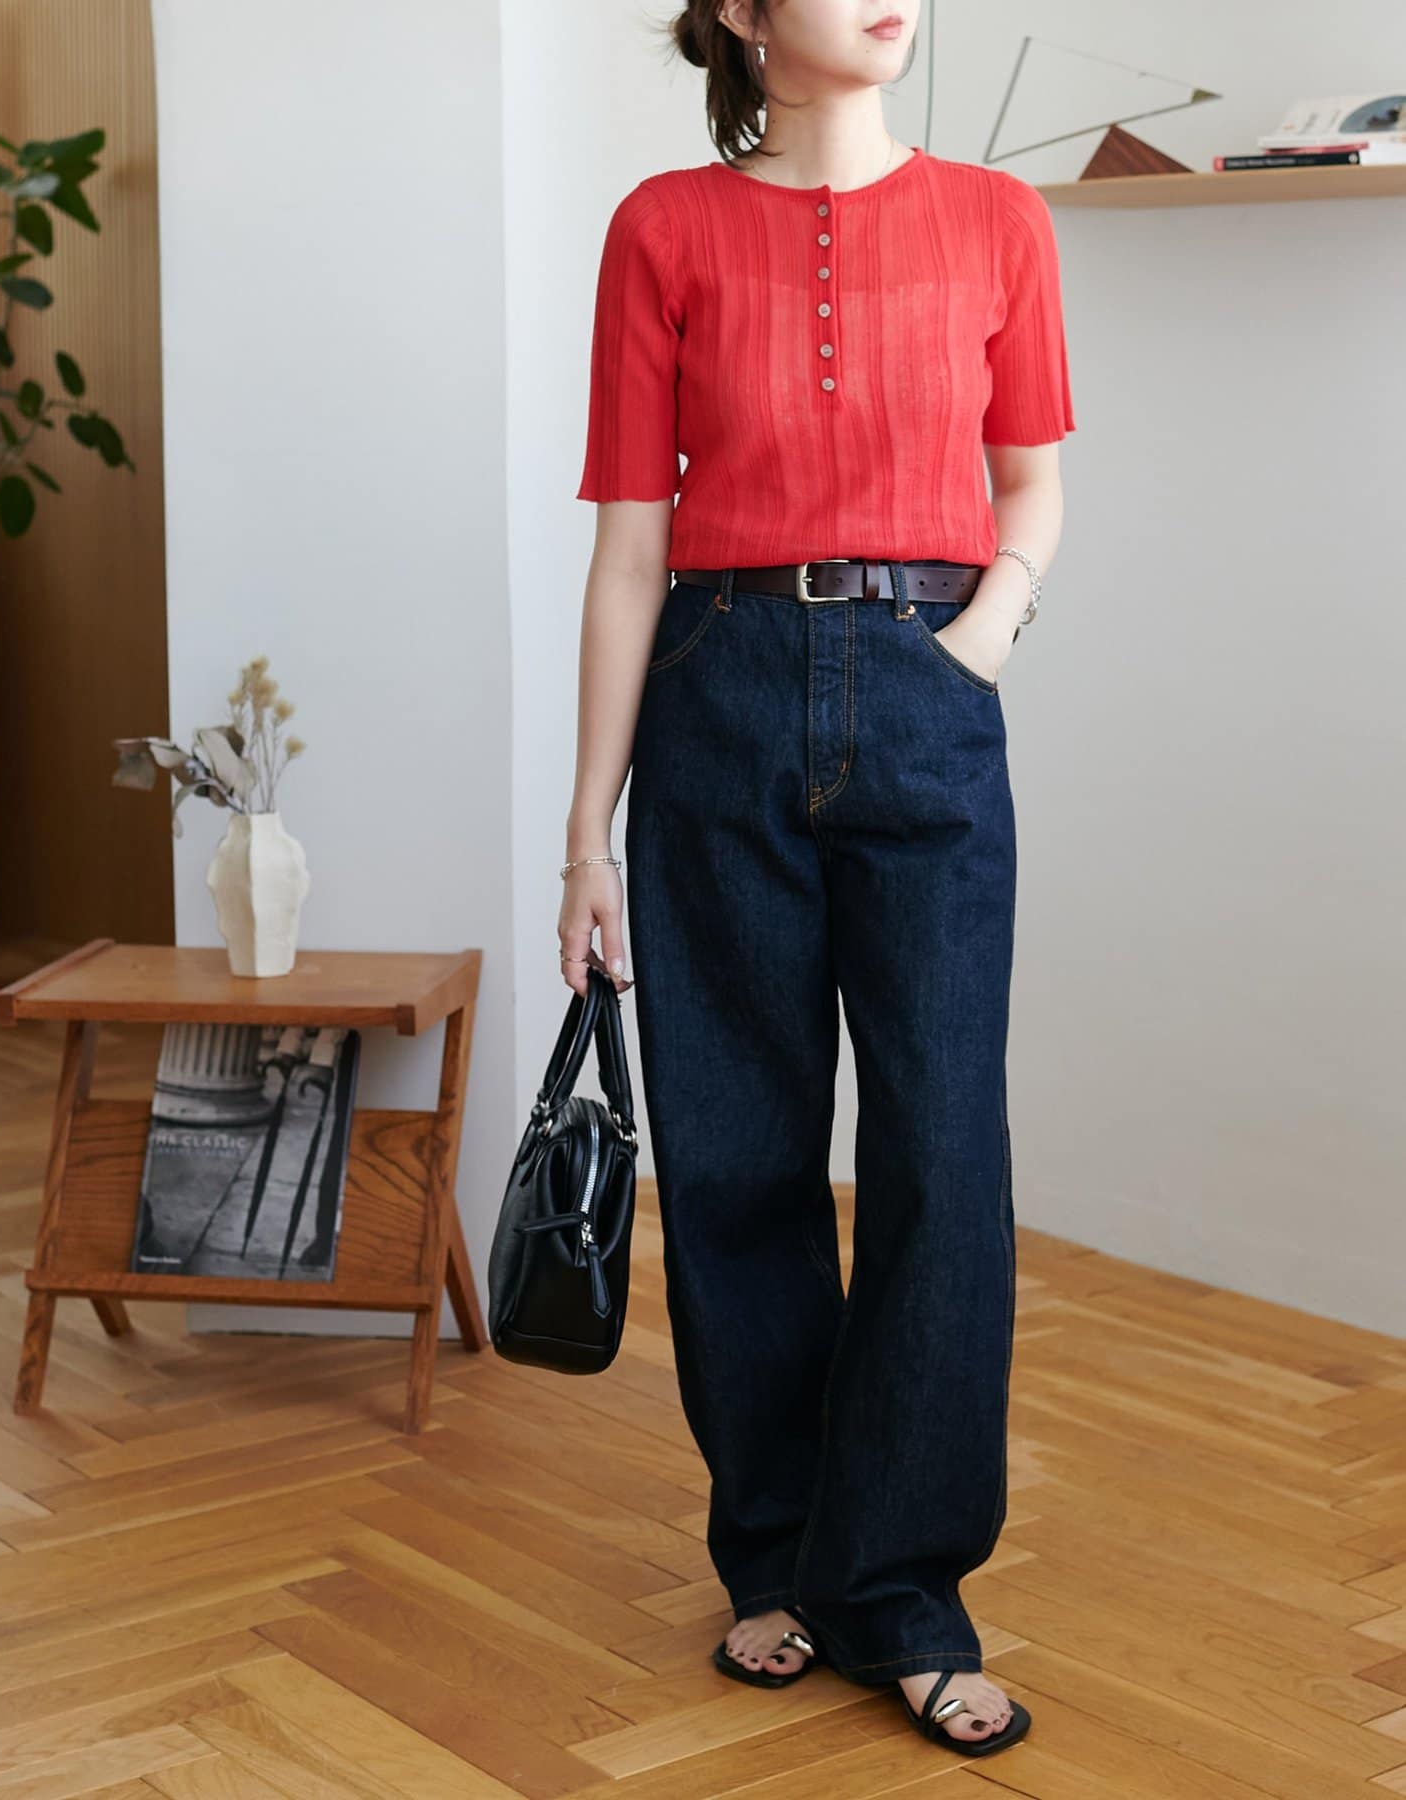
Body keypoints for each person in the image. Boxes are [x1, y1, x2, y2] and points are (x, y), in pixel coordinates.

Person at [558, 0, 1073, 1760]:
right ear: (744, 16)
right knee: (736, 1153)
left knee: (941, 1153)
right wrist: (586, 831)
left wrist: (976, 645)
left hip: (926, 691)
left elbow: (1031, 486)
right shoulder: (662, 228)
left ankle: (905, 1591)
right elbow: (630, 551)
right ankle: (775, 1552)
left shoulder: (1001, 219)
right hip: (718, 693)